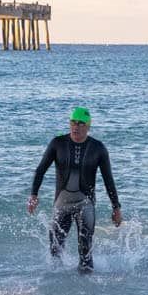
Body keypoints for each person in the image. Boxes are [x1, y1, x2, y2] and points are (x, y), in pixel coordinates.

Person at [28, 107, 122, 273]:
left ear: (88, 126)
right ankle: (57, 290)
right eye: (73, 122)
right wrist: (34, 195)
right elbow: (40, 169)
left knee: (85, 251)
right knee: (55, 250)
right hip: (61, 204)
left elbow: (108, 180)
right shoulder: (57, 144)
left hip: (85, 205)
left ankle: (86, 291)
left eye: (80, 123)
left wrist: (116, 208)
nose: (76, 126)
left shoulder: (98, 148)